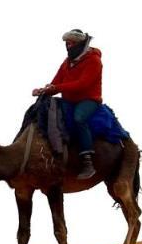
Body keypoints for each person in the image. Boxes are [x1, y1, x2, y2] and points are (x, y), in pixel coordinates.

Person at [32, 28, 103, 179]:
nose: (68, 46)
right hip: (69, 100)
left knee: (79, 118)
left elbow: (82, 84)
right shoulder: (67, 63)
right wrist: (43, 90)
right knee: (50, 113)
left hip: (89, 100)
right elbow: (56, 82)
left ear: (80, 43)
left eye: (71, 43)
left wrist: (56, 88)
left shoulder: (94, 61)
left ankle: (87, 161)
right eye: (67, 43)